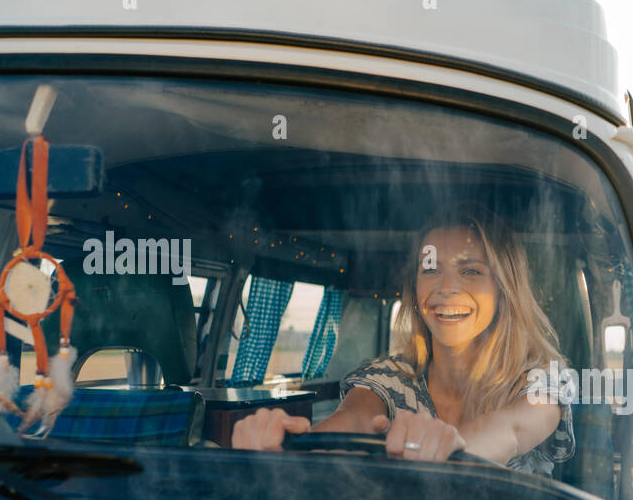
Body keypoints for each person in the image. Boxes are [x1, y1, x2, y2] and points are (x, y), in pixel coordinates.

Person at [230, 202, 575, 476]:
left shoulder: (542, 378)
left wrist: (449, 449)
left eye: (471, 271)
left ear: (504, 289)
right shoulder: (388, 376)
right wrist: (285, 447)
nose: (446, 288)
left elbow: (512, 428)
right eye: (430, 269)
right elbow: (353, 420)